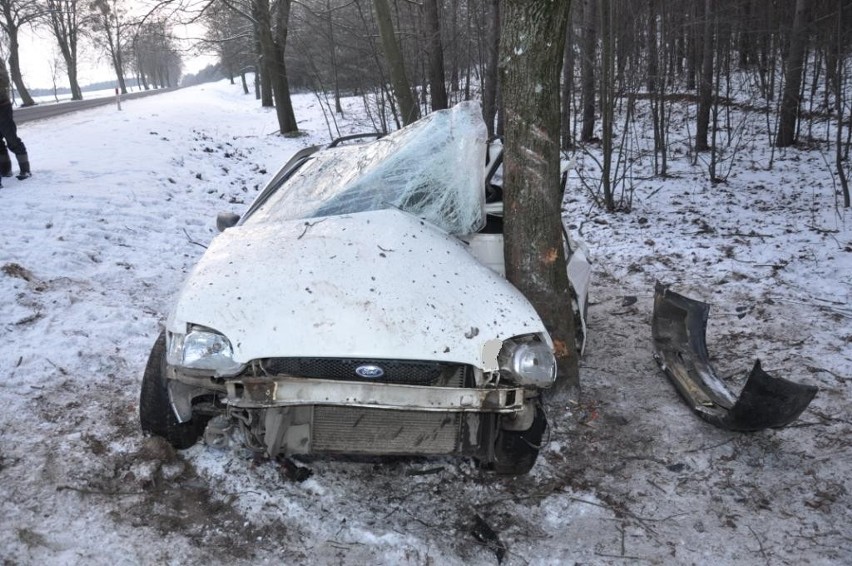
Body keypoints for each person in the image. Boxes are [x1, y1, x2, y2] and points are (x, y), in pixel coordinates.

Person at [0, 60, 30, 185]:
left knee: (11, 138)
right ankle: (5, 170)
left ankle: (25, 170)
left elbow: (4, 80)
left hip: (3, 105)